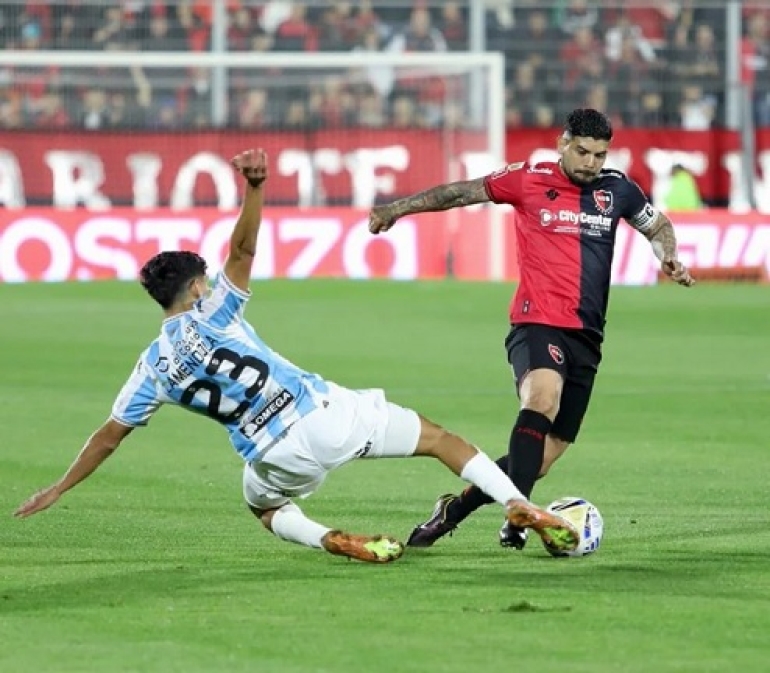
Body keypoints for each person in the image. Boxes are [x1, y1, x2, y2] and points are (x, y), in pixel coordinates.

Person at [13, 148, 580, 563]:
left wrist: (59, 487)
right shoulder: (215, 312)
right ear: (192, 291)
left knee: (263, 508)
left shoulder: (150, 369)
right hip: (322, 414)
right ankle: (517, 502)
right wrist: (255, 186)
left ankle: (332, 539)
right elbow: (243, 248)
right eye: (205, 281)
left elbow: (109, 435)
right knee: (440, 441)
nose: (211, 285)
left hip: (273, 458)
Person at [368, 108, 694, 551]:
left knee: (543, 457)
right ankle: (517, 515)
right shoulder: (528, 179)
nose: (590, 163)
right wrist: (397, 209)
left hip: (588, 335)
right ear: (563, 142)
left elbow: (656, 225)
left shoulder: (617, 190)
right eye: (582, 151)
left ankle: (455, 509)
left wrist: (667, 255)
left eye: (599, 155)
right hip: (536, 321)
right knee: (542, 398)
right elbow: (460, 193)